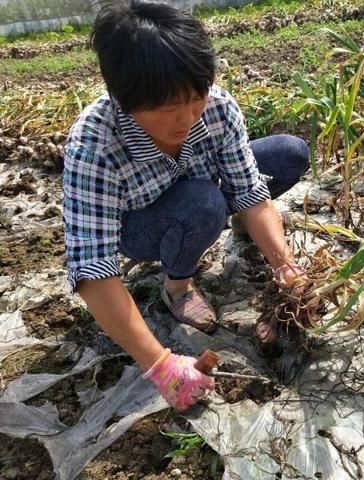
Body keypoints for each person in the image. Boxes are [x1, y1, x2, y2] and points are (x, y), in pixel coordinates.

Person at [62, 0, 309, 411]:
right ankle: (178, 284)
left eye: (196, 97)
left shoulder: (216, 108)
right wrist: (160, 363)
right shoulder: (93, 146)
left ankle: (244, 230)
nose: (188, 117)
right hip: (140, 227)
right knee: (203, 202)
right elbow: (91, 268)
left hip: (199, 192)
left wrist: (285, 265)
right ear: (123, 99)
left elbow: (250, 189)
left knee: (287, 153)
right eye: (166, 108)